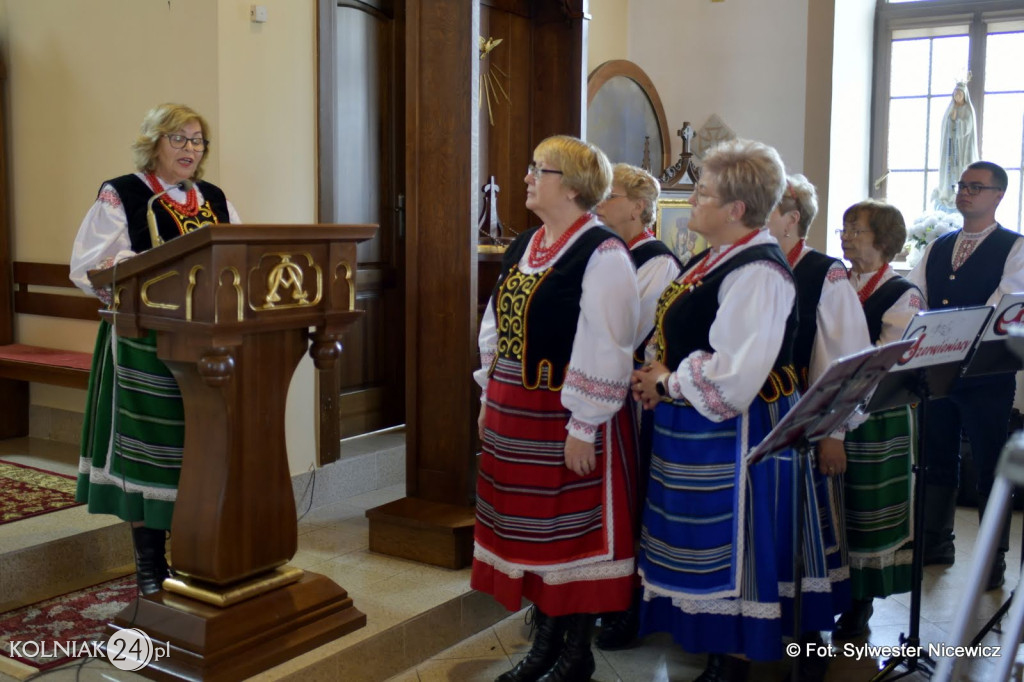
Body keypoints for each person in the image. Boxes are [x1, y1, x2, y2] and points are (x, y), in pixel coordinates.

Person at [632, 139, 840, 682]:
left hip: (743, 432)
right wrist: (661, 376)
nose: (692, 201)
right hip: (697, 425)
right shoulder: (714, 258)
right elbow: (679, 329)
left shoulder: (759, 273)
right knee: (706, 543)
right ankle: (722, 652)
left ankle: (740, 659)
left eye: (702, 193)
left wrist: (669, 381)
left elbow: (734, 377)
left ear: (736, 210)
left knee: (742, 548)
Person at [473, 135, 640, 682]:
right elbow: (498, 322)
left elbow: (608, 343)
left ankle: (575, 655)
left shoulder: (603, 252)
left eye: (536, 169)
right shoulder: (526, 243)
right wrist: (488, 390)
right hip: (514, 412)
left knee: (571, 535)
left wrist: (584, 424)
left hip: (567, 418)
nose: (525, 177)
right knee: (533, 536)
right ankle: (545, 647)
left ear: (570, 186)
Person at [70, 103, 240, 596]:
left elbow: (237, 253)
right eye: (179, 139)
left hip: (207, 346)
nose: (190, 150)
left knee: (200, 452)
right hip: (142, 344)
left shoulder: (213, 197)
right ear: (154, 143)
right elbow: (88, 267)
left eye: (197, 141)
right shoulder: (120, 194)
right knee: (155, 455)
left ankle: (199, 554)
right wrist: (136, 263)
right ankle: (150, 566)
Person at [765, 174, 869, 673]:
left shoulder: (824, 274)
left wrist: (834, 431)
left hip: (805, 426)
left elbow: (846, 360)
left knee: (805, 537)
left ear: (792, 218)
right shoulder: (751, 265)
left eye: (766, 205)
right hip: (757, 424)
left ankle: (808, 639)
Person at [909, 160, 1024, 591]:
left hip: (985, 374)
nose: (966, 192)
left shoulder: (1015, 246)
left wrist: (954, 336)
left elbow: (1002, 302)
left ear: (998, 195)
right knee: (937, 456)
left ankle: (993, 559)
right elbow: (916, 293)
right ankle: (936, 541)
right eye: (962, 185)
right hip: (938, 369)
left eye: (977, 187)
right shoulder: (939, 245)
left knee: (991, 463)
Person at [593, 163, 681, 650]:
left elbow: (630, 331)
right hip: (597, 387)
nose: (602, 201)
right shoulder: (604, 250)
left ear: (640, 207)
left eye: (613, 194)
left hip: (632, 395)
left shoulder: (656, 260)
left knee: (631, 496)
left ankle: (629, 604)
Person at [834, 200, 923, 638]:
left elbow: (886, 361)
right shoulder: (837, 281)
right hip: (831, 407)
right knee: (834, 507)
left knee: (865, 510)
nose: (846, 235)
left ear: (883, 240)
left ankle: (859, 605)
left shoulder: (902, 293)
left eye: (856, 229)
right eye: (845, 227)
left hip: (876, 414)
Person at [931, 82, 978, 210]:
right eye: (955, 94)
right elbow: (945, 128)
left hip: (962, 149)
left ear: (964, 95)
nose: (957, 96)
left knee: (961, 171)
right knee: (949, 172)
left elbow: (967, 128)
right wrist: (951, 120)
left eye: (960, 94)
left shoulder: (968, 110)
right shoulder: (950, 109)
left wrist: (957, 121)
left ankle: (959, 192)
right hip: (951, 148)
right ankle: (947, 193)